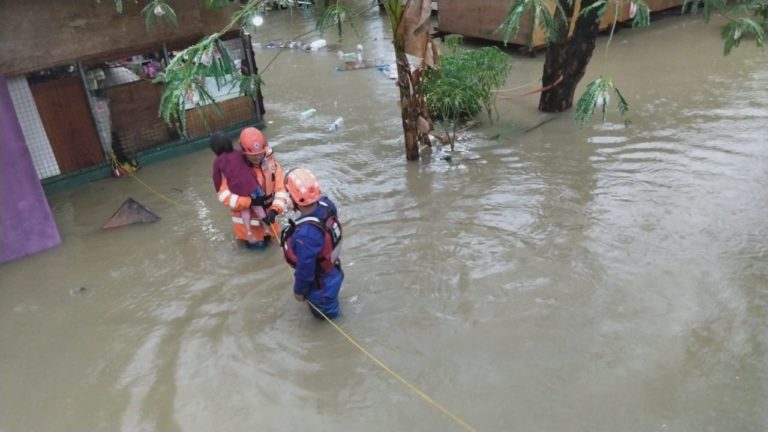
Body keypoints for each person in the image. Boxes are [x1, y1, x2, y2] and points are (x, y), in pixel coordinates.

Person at [280, 168, 344, 319]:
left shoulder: (307, 234)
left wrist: (299, 291)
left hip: (320, 288)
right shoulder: (327, 205)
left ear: (293, 198)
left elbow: (305, 269)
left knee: (327, 319)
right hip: (334, 272)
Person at [216, 127, 290, 249]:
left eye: (260, 154)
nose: (257, 158)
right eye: (253, 155)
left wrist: (275, 210)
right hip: (248, 230)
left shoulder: (272, 165)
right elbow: (223, 195)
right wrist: (249, 201)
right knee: (260, 254)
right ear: (244, 152)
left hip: (269, 222)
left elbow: (281, 190)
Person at [209, 132, 266, 246]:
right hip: (253, 187)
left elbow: (216, 178)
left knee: (245, 212)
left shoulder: (218, 162)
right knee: (259, 208)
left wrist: (217, 188)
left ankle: (249, 232)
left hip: (239, 192)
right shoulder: (241, 154)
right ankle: (266, 228)